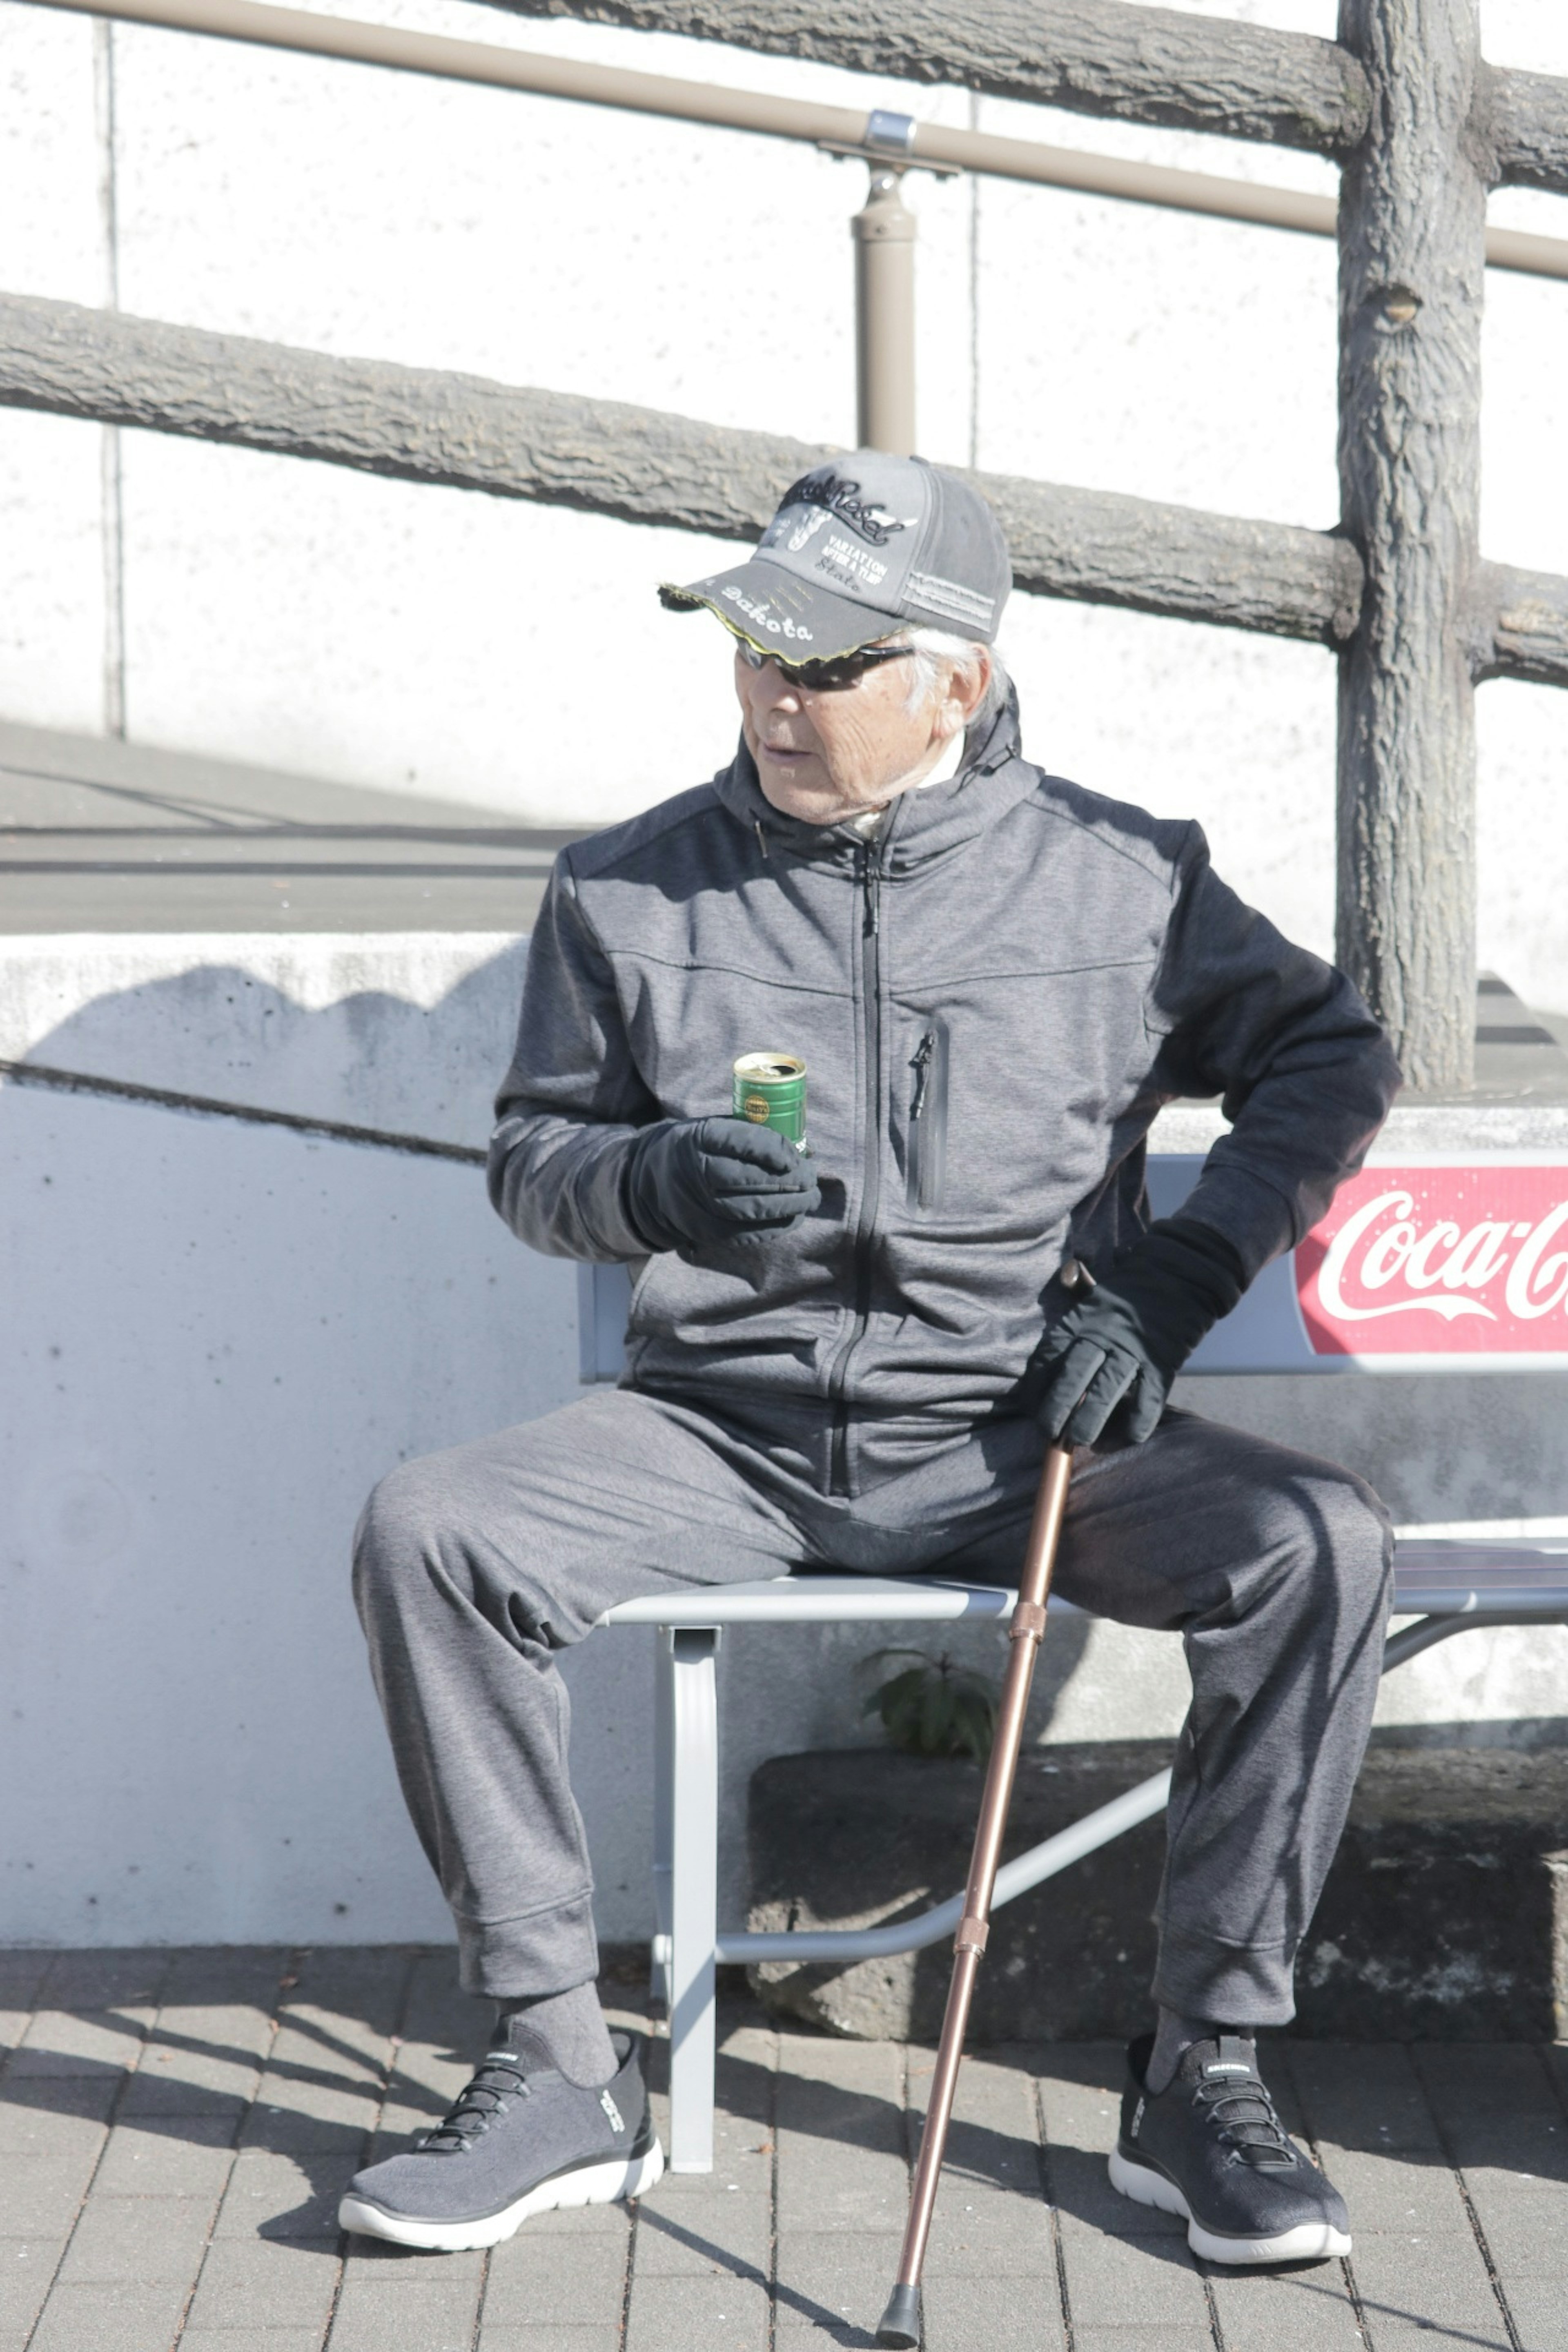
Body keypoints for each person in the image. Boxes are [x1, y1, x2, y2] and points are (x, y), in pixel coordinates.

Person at [340, 452, 1400, 2266]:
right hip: (723, 1437)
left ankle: (1206, 2070)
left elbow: (1332, 1054)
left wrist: (1167, 1288)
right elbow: (535, 1161)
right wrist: (645, 1177)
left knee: (1322, 1548)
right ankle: (547, 2066)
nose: (771, 692)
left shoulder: (1127, 884)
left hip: (1026, 1442)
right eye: (756, 647)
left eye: (823, 662)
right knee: (432, 1532)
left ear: (957, 683)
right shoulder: (628, 889)